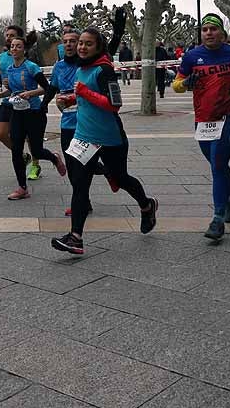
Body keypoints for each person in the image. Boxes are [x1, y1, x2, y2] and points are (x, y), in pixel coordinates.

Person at [51, 27, 157, 255]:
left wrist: (83, 92)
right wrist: (71, 99)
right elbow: (84, 94)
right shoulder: (81, 69)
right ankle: (75, 238)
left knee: (121, 178)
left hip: (110, 138)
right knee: (80, 184)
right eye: (81, 43)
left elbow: (114, 105)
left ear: (98, 48)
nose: (81, 47)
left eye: (88, 44)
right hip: (84, 136)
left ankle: (147, 205)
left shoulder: (104, 70)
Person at [172, 13, 230, 241]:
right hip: (203, 119)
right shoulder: (192, 56)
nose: (209, 33)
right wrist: (185, 83)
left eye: (213, 29)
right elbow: (176, 86)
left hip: (229, 117)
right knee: (216, 163)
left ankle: (217, 218)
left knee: (218, 163)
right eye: (205, 30)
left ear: (222, 32)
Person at [0, 37, 65, 200]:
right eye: (12, 47)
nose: (15, 49)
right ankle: (22, 188)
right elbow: (13, 91)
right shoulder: (10, 69)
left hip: (34, 112)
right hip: (17, 112)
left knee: (37, 150)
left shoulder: (32, 67)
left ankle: (54, 158)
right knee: (16, 150)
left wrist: (30, 94)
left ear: (24, 50)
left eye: (18, 46)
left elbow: (47, 88)